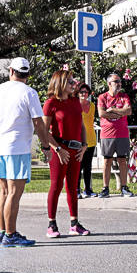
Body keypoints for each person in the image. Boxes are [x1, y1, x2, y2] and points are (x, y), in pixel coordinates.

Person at [0, 57, 62, 247]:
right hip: (17, 148)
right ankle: (11, 235)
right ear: (27, 74)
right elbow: (38, 123)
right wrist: (46, 147)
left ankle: (4, 232)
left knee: (4, 192)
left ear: (11, 71)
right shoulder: (30, 93)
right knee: (14, 193)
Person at [42, 69, 89, 238]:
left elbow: (81, 126)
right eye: (70, 81)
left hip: (76, 150)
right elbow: (44, 131)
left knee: (72, 187)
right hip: (59, 150)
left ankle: (74, 224)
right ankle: (51, 224)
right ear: (60, 83)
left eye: (73, 81)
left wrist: (84, 146)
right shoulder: (51, 103)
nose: (73, 84)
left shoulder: (76, 101)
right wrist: (57, 149)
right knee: (56, 186)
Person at [97, 73, 134, 197]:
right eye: (116, 81)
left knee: (122, 161)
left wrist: (112, 110)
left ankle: (124, 187)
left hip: (122, 134)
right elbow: (102, 113)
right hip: (107, 134)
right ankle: (105, 188)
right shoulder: (102, 97)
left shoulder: (124, 97)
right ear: (109, 84)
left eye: (120, 81)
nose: (119, 84)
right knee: (107, 161)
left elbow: (128, 111)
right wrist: (120, 113)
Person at [77, 82, 98, 198]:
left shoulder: (92, 106)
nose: (84, 94)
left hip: (91, 139)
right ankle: (76, 190)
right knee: (78, 167)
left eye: (86, 92)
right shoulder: (74, 105)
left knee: (88, 166)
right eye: (81, 92)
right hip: (79, 140)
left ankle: (88, 189)